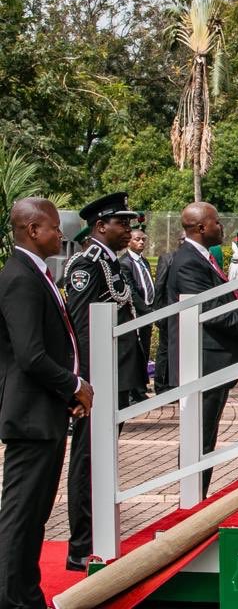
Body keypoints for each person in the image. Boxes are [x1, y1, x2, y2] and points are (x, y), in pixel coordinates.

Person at [0, 198, 94, 608]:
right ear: (32, 230)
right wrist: (74, 384)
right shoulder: (21, 276)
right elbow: (30, 355)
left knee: (34, 515)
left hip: (45, 411)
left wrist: (65, 395)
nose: (61, 234)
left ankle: (24, 592)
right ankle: (12, 597)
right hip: (29, 416)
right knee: (20, 515)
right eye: (55, 227)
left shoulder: (36, 273)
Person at [167, 202, 238, 498]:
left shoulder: (201, 257)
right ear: (201, 228)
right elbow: (211, 312)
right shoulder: (188, 260)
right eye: (216, 222)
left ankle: (196, 499)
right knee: (198, 441)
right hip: (200, 363)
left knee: (205, 439)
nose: (221, 226)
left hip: (211, 363)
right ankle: (191, 502)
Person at [63, 191, 143, 573]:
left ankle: (97, 534)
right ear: (100, 226)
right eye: (121, 223)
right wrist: (85, 383)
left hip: (117, 377)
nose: (129, 229)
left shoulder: (113, 263)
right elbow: (80, 328)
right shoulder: (88, 264)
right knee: (87, 459)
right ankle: (81, 545)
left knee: (102, 458)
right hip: (98, 381)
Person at [120, 227, 155, 401]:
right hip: (137, 313)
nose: (141, 242)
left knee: (145, 350)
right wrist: (147, 311)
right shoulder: (125, 263)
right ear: (129, 241)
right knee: (137, 351)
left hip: (148, 311)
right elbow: (132, 291)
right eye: (137, 239)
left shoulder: (144, 261)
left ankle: (141, 387)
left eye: (143, 239)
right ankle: (135, 391)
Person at [151, 233, 184, 394]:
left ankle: (176, 383)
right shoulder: (168, 258)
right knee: (165, 350)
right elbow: (159, 286)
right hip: (168, 312)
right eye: (183, 240)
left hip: (185, 313)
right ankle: (162, 385)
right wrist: (159, 313)